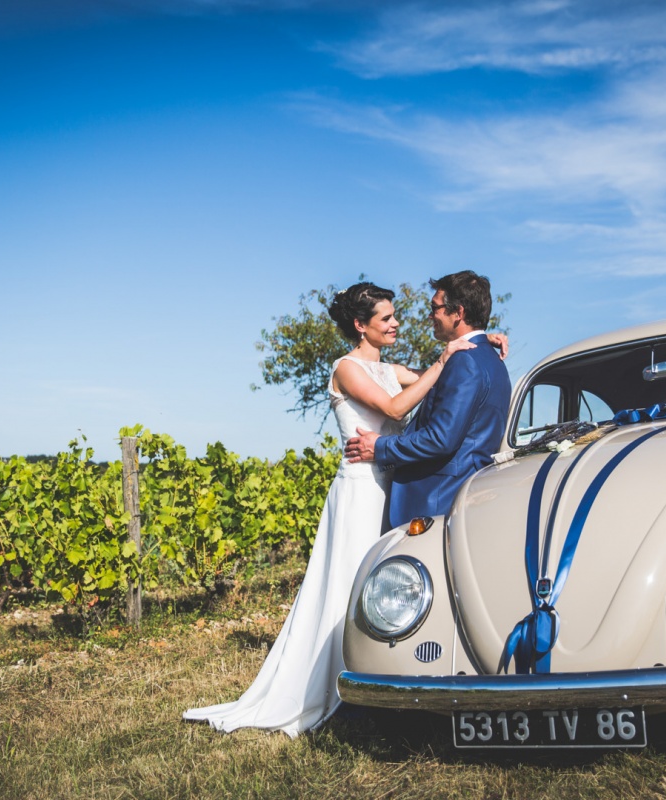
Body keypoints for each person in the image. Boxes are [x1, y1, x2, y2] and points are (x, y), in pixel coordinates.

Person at [183, 281, 507, 737]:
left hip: (388, 484)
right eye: (386, 318)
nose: (396, 323)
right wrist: (447, 354)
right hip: (360, 489)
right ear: (361, 325)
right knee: (347, 584)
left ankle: (370, 671)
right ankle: (332, 686)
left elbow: (447, 382)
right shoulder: (346, 368)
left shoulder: (389, 367)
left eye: (395, 316)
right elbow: (397, 405)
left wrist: (477, 343)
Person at [344, 270, 511, 528]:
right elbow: (429, 378)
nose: (430, 315)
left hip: (436, 498)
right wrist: (481, 338)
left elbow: (440, 439)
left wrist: (379, 447)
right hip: (464, 494)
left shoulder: (465, 362)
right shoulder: (494, 362)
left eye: (435, 308)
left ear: (459, 313)